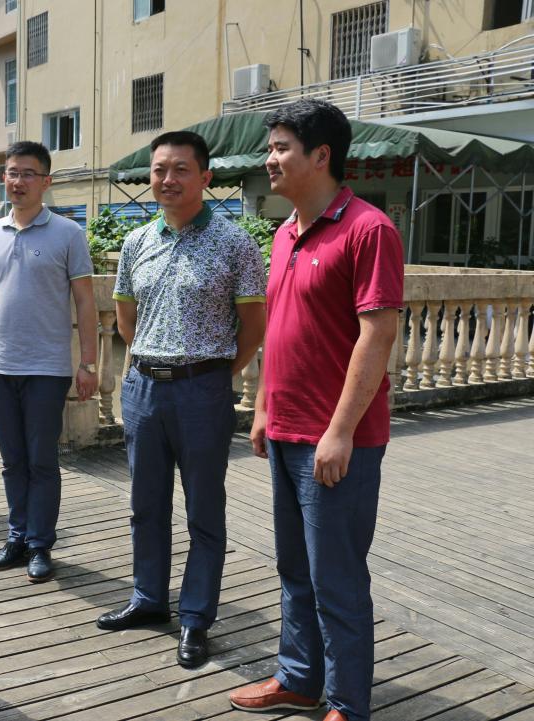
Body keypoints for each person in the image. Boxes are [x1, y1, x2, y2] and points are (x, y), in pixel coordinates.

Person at [227, 100, 403, 721]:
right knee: (294, 569)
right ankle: (300, 679)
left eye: (281, 148)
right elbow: (280, 328)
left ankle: (349, 705)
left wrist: (340, 431)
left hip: (336, 440)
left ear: (321, 155)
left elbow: (377, 335)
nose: (269, 159)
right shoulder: (283, 234)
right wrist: (263, 406)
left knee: (337, 578)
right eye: (270, 148)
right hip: (286, 429)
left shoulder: (368, 229)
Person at [96, 131, 267, 670]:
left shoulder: (235, 243)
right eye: (159, 170)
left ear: (205, 177)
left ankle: (195, 616)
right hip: (144, 388)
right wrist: (153, 365)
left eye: (181, 170)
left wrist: (211, 374)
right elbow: (126, 320)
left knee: (203, 509)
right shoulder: (136, 242)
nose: (167, 180)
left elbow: (253, 327)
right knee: (145, 504)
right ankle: (149, 598)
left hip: (202, 389)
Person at [0, 140, 98, 583]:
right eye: (11, 172)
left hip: (46, 368)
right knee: (12, 460)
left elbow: (85, 302)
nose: (17, 181)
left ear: (46, 181)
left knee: (42, 461)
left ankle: (41, 544)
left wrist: (88, 364)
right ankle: (17, 537)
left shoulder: (68, 233)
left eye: (27, 173)